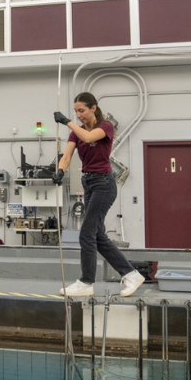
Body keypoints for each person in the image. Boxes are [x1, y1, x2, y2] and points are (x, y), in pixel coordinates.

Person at [52, 92, 145, 297]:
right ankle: (131, 274)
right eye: (75, 112)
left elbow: (88, 136)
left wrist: (66, 121)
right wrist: (60, 170)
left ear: (93, 108)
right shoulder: (75, 132)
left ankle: (86, 282)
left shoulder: (105, 127)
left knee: (86, 232)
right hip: (88, 183)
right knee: (97, 235)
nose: (79, 115)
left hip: (104, 184)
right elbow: (67, 156)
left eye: (82, 111)